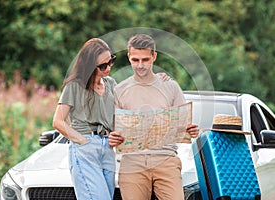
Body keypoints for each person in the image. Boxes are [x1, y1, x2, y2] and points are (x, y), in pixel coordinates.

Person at [109, 34, 199, 200]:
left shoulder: (170, 87)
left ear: (154, 57)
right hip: (132, 163)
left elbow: (183, 124)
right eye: (135, 60)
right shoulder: (120, 90)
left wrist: (190, 129)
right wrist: (113, 137)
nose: (140, 65)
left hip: (166, 159)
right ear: (129, 57)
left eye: (145, 60)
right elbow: (114, 130)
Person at [52, 38, 117, 200]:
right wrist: (83, 141)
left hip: (108, 148)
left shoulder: (111, 84)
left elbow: (120, 117)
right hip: (85, 148)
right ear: (89, 65)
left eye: (111, 62)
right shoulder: (74, 86)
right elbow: (58, 121)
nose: (108, 68)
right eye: (103, 65)